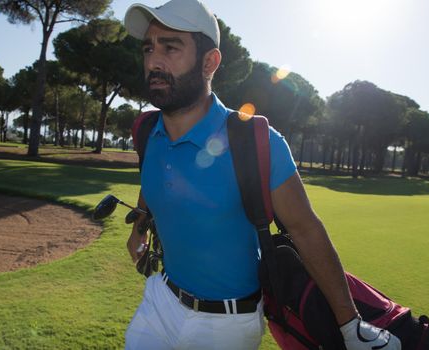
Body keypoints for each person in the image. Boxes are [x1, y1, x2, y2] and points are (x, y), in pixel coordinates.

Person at [123, 0, 401, 349]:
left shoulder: (257, 140)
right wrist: (139, 228)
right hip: (160, 301)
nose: (154, 61)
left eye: (171, 47)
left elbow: (305, 229)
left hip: (227, 325)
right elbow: (154, 178)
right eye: (149, 48)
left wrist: (350, 325)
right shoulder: (146, 131)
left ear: (210, 62)